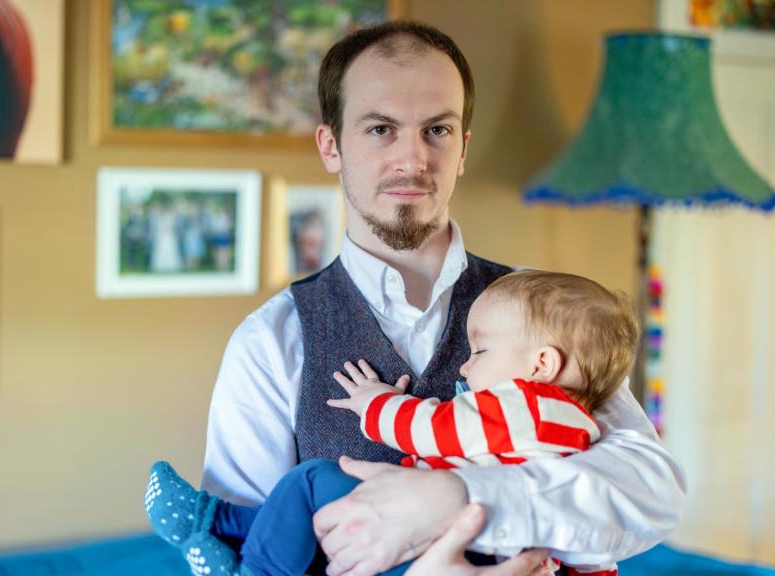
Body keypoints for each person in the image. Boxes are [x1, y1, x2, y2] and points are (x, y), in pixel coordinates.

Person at [199, 20, 685, 576]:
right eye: (381, 129)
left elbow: (650, 494)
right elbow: (245, 558)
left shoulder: (547, 315)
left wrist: (459, 496)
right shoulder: (270, 341)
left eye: (437, 130)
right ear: (331, 146)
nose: (413, 159)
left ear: (462, 149)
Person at [147, 270, 637, 575]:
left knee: (313, 481)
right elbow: (594, 551)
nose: (464, 368)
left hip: (456, 550)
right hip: (475, 550)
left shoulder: (525, 408)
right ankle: (218, 524)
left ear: (542, 365)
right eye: (380, 129)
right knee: (319, 519)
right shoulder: (578, 425)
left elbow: (433, 427)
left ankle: (229, 540)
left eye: (481, 352)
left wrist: (376, 401)